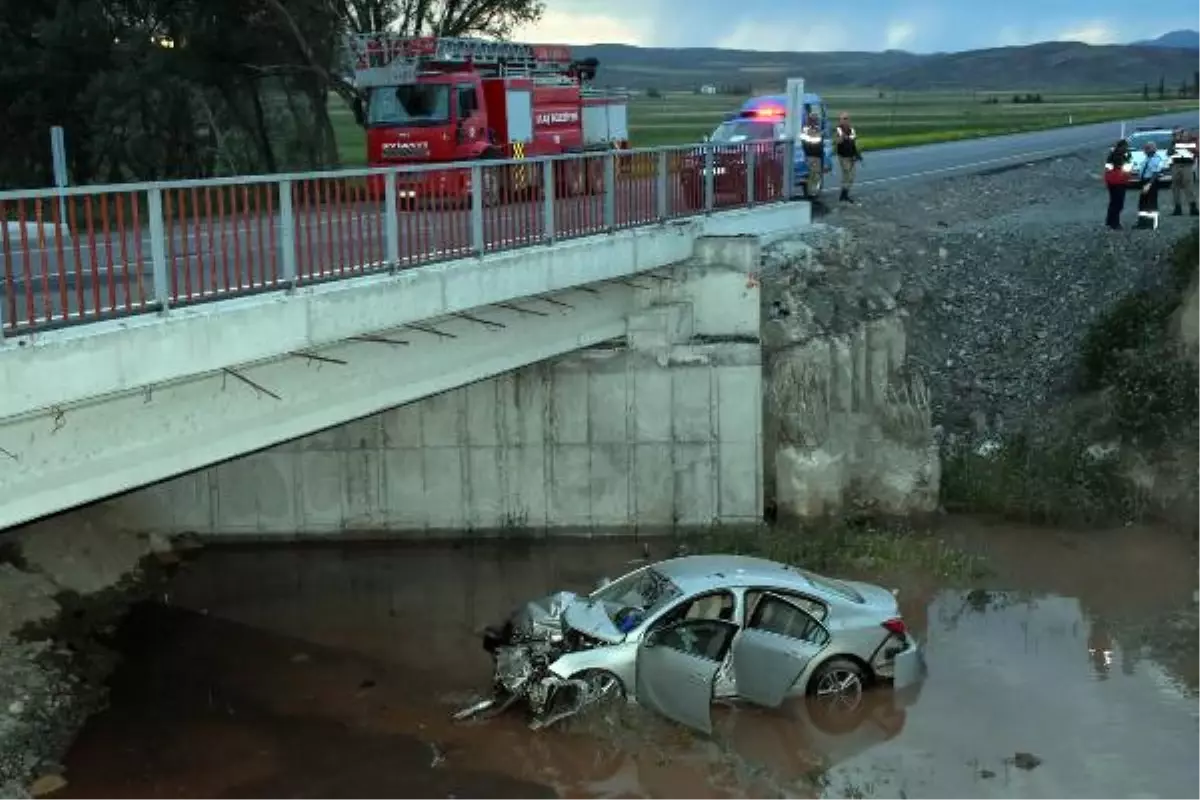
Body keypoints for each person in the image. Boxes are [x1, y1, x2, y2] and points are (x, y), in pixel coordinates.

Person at [1134, 141, 1166, 230]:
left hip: (1151, 182)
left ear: (1152, 149)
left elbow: (1155, 173)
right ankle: (1142, 222)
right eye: (1145, 148)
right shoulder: (1147, 158)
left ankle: (1152, 224)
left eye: (1147, 148)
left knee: (1151, 203)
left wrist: (1149, 184)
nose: (1145, 150)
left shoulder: (1157, 159)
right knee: (1143, 203)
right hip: (1144, 182)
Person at [833, 112, 864, 203]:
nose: (845, 120)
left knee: (851, 176)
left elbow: (854, 141)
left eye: (847, 118)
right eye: (843, 118)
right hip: (843, 156)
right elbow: (837, 141)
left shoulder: (851, 129)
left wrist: (858, 154)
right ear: (840, 120)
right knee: (847, 175)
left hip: (851, 155)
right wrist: (841, 138)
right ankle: (843, 195)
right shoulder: (838, 129)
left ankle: (844, 194)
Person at [1167, 126, 1198, 216]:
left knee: (1188, 186)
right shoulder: (1173, 143)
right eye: (1174, 134)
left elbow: (1194, 151)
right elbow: (1169, 153)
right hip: (1176, 165)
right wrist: (1174, 144)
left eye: (1177, 133)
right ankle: (1177, 208)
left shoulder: (1189, 141)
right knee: (1175, 187)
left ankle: (1193, 207)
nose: (1176, 136)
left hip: (1186, 165)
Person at [1103, 139, 1132, 229]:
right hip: (1118, 182)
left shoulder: (1112, 155)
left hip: (1112, 181)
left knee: (1113, 202)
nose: (1127, 149)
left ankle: (1110, 220)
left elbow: (1108, 168)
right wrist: (1127, 157)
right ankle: (1115, 223)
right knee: (1118, 203)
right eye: (1125, 147)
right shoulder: (1119, 156)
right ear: (1121, 147)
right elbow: (1125, 166)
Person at [798, 112, 825, 199]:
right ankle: (810, 194)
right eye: (814, 119)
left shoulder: (817, 129)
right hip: (811, 155)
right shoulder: (806, 130)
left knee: (816, 175)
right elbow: (805, 143)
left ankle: (813, 192)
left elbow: (819, 143)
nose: (816, 121)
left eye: (816, 119)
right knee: (812, 175)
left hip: (817, 155)